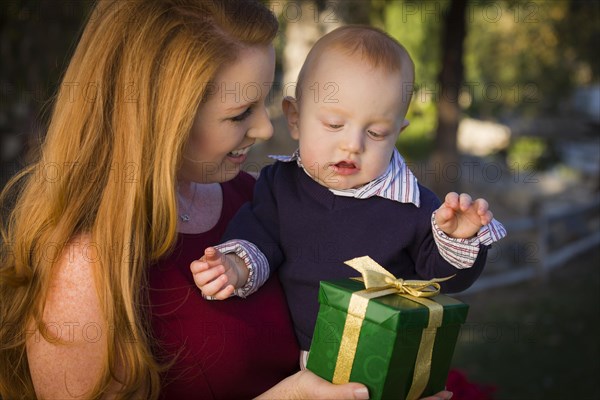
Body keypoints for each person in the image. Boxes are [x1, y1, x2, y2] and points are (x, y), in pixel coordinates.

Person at [0, 2, 449, 399]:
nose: (264, 130)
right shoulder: (86, 266)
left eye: (265, 102)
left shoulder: (260, 198)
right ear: (161, 117)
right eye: (239, 114)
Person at [193, 25, 507, 360]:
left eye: (375, 132)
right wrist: (235, 266)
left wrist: (457, 239)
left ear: (396, 134)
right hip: (294, 358)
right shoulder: (279, 184)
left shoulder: (413, 205)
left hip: (380, 358)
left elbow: (445, 280)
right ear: (295, 119)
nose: (352, 145)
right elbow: (260, 237)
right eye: (333, 124)